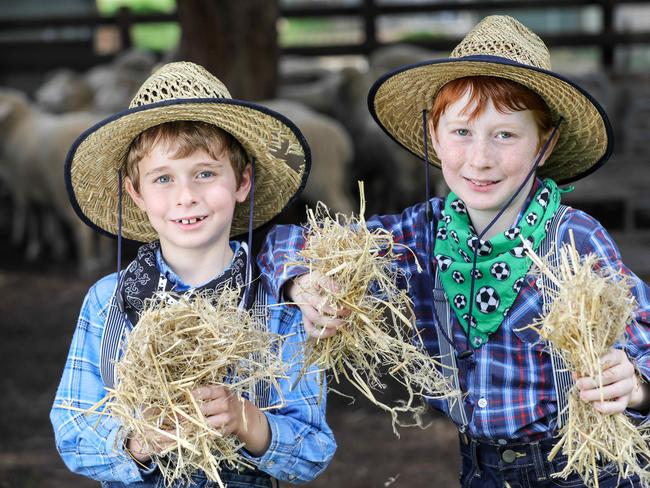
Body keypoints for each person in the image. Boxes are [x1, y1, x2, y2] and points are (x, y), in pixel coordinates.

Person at [255, 16, 650, 487]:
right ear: (434, 136)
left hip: (582, 469)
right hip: (479, 468)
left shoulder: (575, 242)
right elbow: (288, 243)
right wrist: (303, 281)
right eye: (462, 132)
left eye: (505, 134)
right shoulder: (420, 233)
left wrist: (637, 385)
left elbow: (640, 336)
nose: (480, 158)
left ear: (545, 145)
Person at [50, 61, 336, 487]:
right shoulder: (109, 299)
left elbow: (313, 451)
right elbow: (72, 431)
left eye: (205, 173)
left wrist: (247, 419)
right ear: (136, 193)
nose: (186, 196)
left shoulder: (279, 301)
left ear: (242, 183)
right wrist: (138, 441)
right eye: (163, 178)